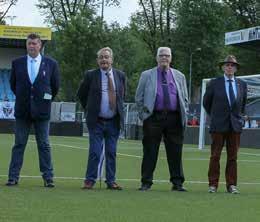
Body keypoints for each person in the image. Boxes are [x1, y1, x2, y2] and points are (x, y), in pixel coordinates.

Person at [6, 33, 60, 187]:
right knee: (19, 144)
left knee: (44, 144)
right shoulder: (17, 63)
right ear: (26, 45)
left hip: (42, 111)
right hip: (23, 111)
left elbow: (55, 86)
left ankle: (48, 177)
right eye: (29, 43)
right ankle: (13, 177)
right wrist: (26, 99)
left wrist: (43, 100)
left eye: (35, 43)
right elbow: (13, 85)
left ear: (40, 46)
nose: (32, 46)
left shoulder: (51, 64)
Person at [135, 47, 189, 191]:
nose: (164, 58)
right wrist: (144, 115)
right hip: (153, 117)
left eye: (167, 55)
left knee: (175, 152)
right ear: (157, 58)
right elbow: (139, 97)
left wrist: (185, 113)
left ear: (171, 58)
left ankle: (177, 183)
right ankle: (146, 182)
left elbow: (184, 98)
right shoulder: (147, 75)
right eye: (161, 55)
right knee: (150, 151)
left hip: (174, 118)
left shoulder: (179, 76)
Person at [77, 47, 125, 190]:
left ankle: (111, 181)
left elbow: (122, 96)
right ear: (98, 60)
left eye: (107, 57)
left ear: (112, 59)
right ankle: (90, 180)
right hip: (96, 121)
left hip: (113, 121)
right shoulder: (90, 75)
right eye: (101, 57)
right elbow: (81, 94)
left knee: (111, 152)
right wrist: (90, 109)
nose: (104, 59)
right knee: (95, 152)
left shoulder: (120, 75)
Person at [203, 55, 247, 194]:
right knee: (215, 156)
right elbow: (206, 103)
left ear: (236, 68)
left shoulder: (242, 84)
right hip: (218, 124)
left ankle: (232, 185)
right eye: (227, 65)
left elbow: (242, 104)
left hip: (235, 126)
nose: (229, 67)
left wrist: (239, 118)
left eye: (232, 65)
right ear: (223, 67)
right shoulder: (214, 83)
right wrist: (216, 116)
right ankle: (213, 185)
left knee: (233, 157)